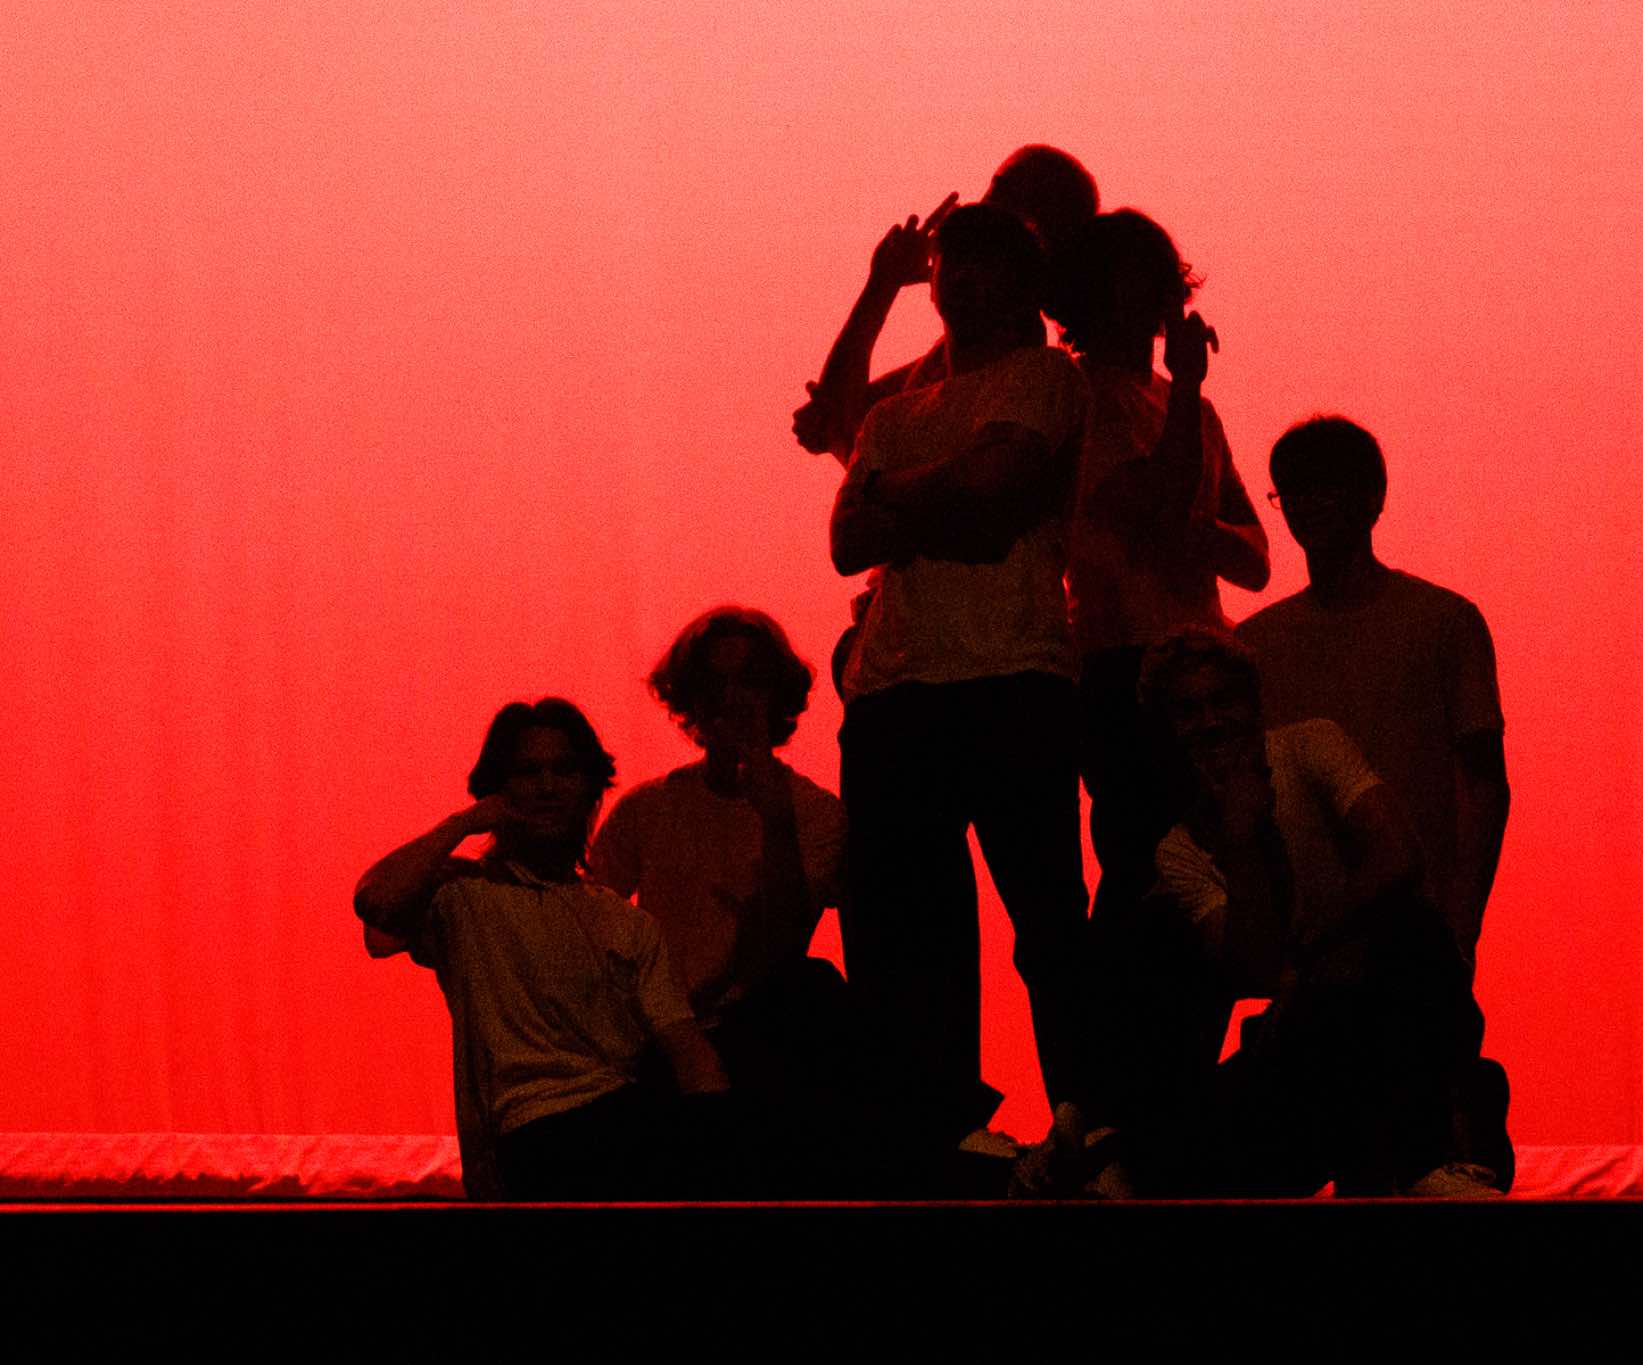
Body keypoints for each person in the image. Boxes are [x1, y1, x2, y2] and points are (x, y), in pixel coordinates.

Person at [828, 201, 1091, 1178]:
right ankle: (942, 1131)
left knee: (1046, 917)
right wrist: (930, 491)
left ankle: (1086, 1121)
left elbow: (996, 494)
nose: (963, 280)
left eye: (984, 263)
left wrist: (892, 491)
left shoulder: (1044, 377)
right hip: (893, 689)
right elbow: (847, 539)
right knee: (910, 928)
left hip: (1014, 675)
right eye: (951, 263)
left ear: (1023, 286)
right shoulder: (894, 411)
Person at [1095, 628, 1493, 1199]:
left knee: (1414, 930)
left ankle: (1428, 1155)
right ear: (1166, 730)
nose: (1210, 722)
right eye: (1187, 710)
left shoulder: (1310, 747)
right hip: (1300, 1051)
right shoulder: (1179, 849)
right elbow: (1252, 966)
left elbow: (1399, 856)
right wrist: (1241, 838)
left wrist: (1311, 952)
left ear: (1254, 707)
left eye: (1223, 701)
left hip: (1365, 1002)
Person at [1236, 415, 1514, 1186]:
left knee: (1398, 1144)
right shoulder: (1257, 644)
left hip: (1411, 931)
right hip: (1312, 942)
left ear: (1371, 497)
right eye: (1293, 491)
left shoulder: (1443, 622)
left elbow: (1484, 781)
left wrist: (1462, 915)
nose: (1308, 505)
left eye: (1326, 486)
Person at [354, 698, 729, 1200]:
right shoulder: (463, 896)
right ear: (501, 788)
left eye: (563, 770)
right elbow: (376, 903)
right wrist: (463, 824)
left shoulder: (627, 923)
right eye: (528, 772)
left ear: (589, 788)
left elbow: (686, 1047)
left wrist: (720, 1136)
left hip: (622, 1116)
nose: (547, 787)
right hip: (534, 1132)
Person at [1043, 208, 1269, 916]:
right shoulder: (1078, 395)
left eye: (1154, 276)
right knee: (1146, 867)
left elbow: (1255, 555)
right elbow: (1160, 505)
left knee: (1224, 857)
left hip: (1206, 655)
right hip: (1121, 664)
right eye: (1126, 277)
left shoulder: (1191, 409)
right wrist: (1190, 386)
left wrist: (1197, 530)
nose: (1145, 294)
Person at [587, 608, 851, 1193]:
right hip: (660, 1037)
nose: (732, 698)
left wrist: (774, 817)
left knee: (815, 988)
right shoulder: (648, 809)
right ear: (691, 698)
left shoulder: (815, 814)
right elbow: (585, 929)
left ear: (776, 694)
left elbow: (785, 949)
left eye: (749, 680)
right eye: (714, 682)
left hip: (764, 1035)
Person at [793, 146, 1099, 465]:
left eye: (1003, 192)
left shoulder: (1024, 374)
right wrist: (884, 283)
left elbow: (848, 429)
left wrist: (883, 283)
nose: (982, 205)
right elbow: (842, 415)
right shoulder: (956, 356)